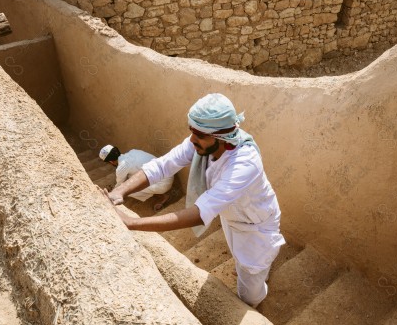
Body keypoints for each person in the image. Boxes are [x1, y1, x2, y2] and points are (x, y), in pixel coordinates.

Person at [100, 93, 285, 307]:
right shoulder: (203, 142)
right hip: (233, 218)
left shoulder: (244, 163)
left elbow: (200, 212)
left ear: (221, 136)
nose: (192, 139)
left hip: (255, 227)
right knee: (242, 261)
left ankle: (259, 283)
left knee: (249, 294)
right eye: (191, 131)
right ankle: (255, 266)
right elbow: (162, 165)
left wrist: (132, 223)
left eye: (199, 134)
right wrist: (118, 193)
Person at [99, 144, 173, 211]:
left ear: (111, 162)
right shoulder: (133, 151)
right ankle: (153, 191)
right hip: (169, 172)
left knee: (128, 189)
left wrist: (110, 193)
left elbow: (120, 187)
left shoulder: (121, 168)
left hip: (163, 185)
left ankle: (162, 196)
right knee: (131, 177)